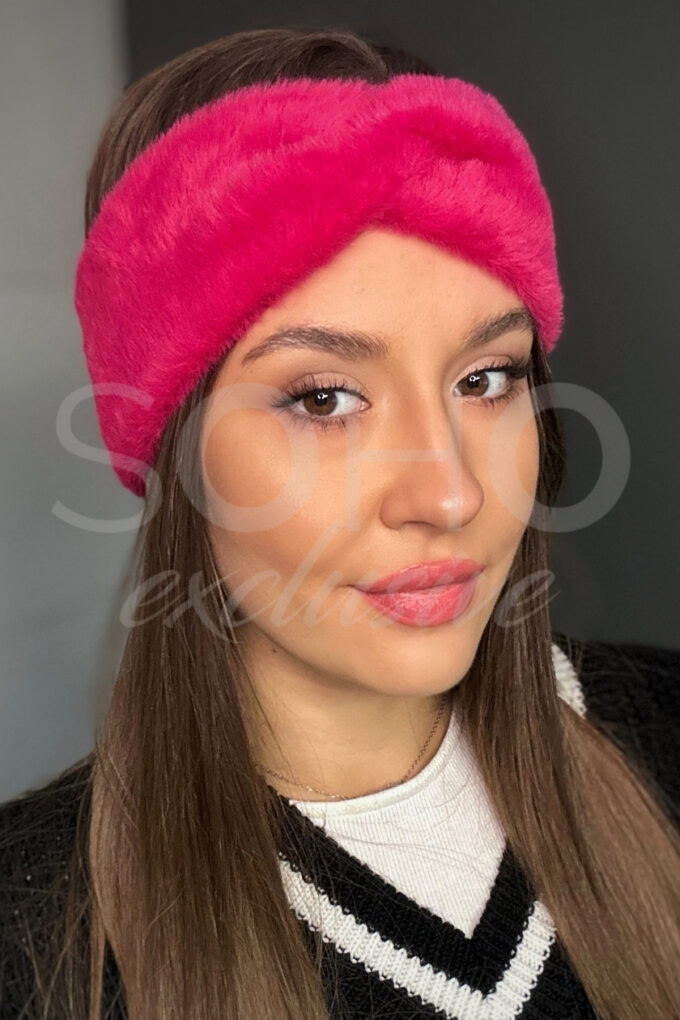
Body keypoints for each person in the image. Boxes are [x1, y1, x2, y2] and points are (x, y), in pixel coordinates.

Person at [1, 25, 679, 1020]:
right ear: (178, 454)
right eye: (323, 398)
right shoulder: (32, 938)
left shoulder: (660, 737)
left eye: (486, 379)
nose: (448, 496)